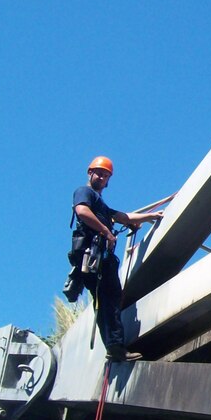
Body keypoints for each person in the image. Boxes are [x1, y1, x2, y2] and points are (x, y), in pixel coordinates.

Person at [69, 155, 163, 362]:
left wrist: (151, 217)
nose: (102, 178)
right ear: (90, 173)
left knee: (109, 299)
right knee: (109, 301)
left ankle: (114, 345)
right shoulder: (84, 192)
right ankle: (115, 347)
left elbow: (125, 217)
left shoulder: (101, 205)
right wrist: (106, 232)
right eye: (99, 173)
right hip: (94, 259)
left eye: (106, 175)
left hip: (100, 259)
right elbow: (82, 211)